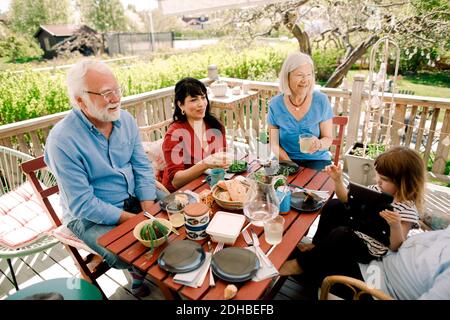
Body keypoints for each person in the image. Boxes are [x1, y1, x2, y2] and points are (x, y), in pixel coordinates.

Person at [44, 60, 166, 297]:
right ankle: (139, 271)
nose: (116, 98)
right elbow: (82, 203)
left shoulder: (126, 121)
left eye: (117, 90)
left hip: (132, 195)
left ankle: (147, 268)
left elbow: (141, 166)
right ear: (80, 101)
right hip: (88, 217)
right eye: (106, 93)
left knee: (176, 210)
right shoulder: (62, 140)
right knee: (127, 252)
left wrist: (148, 209)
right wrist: (137, 221)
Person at [280, 225, 450, 300]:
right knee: (339, 236)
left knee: (340, 238)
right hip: (378, 266)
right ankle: (295, 263)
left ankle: (295, 266)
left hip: (374, 289)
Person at [268, 52, 334, 171]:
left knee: (314, 189)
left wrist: (319, 144)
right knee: (270, 186)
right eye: (300, 75)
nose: (305, 80)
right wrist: (290, 164)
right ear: (287, 77)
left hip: (317, 159)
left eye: (309, 74)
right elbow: (274, 144)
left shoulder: (321, 101)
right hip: (285, 159)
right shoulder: (275, 104)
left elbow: (328, 139)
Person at [161, 77, 229, 192]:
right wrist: (205, 163)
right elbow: (176, 181)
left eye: (203, 97)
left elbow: (223, 157)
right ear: (181, 105)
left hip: (209, 185)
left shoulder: (215, 126)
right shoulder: (174, 134)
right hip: (181, 194)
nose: (201, 104)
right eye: (193, 100)